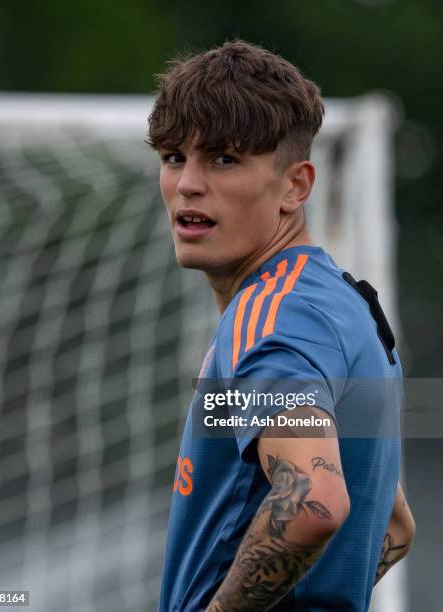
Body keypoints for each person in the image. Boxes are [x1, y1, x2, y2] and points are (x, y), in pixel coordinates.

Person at [147, 40, 416, 612]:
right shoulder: (346, 305)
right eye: (174, 157)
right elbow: (393, 526)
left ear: (295, 186)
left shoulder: (271, 315)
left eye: (223, 159)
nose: (189, 183)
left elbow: (315, 503)